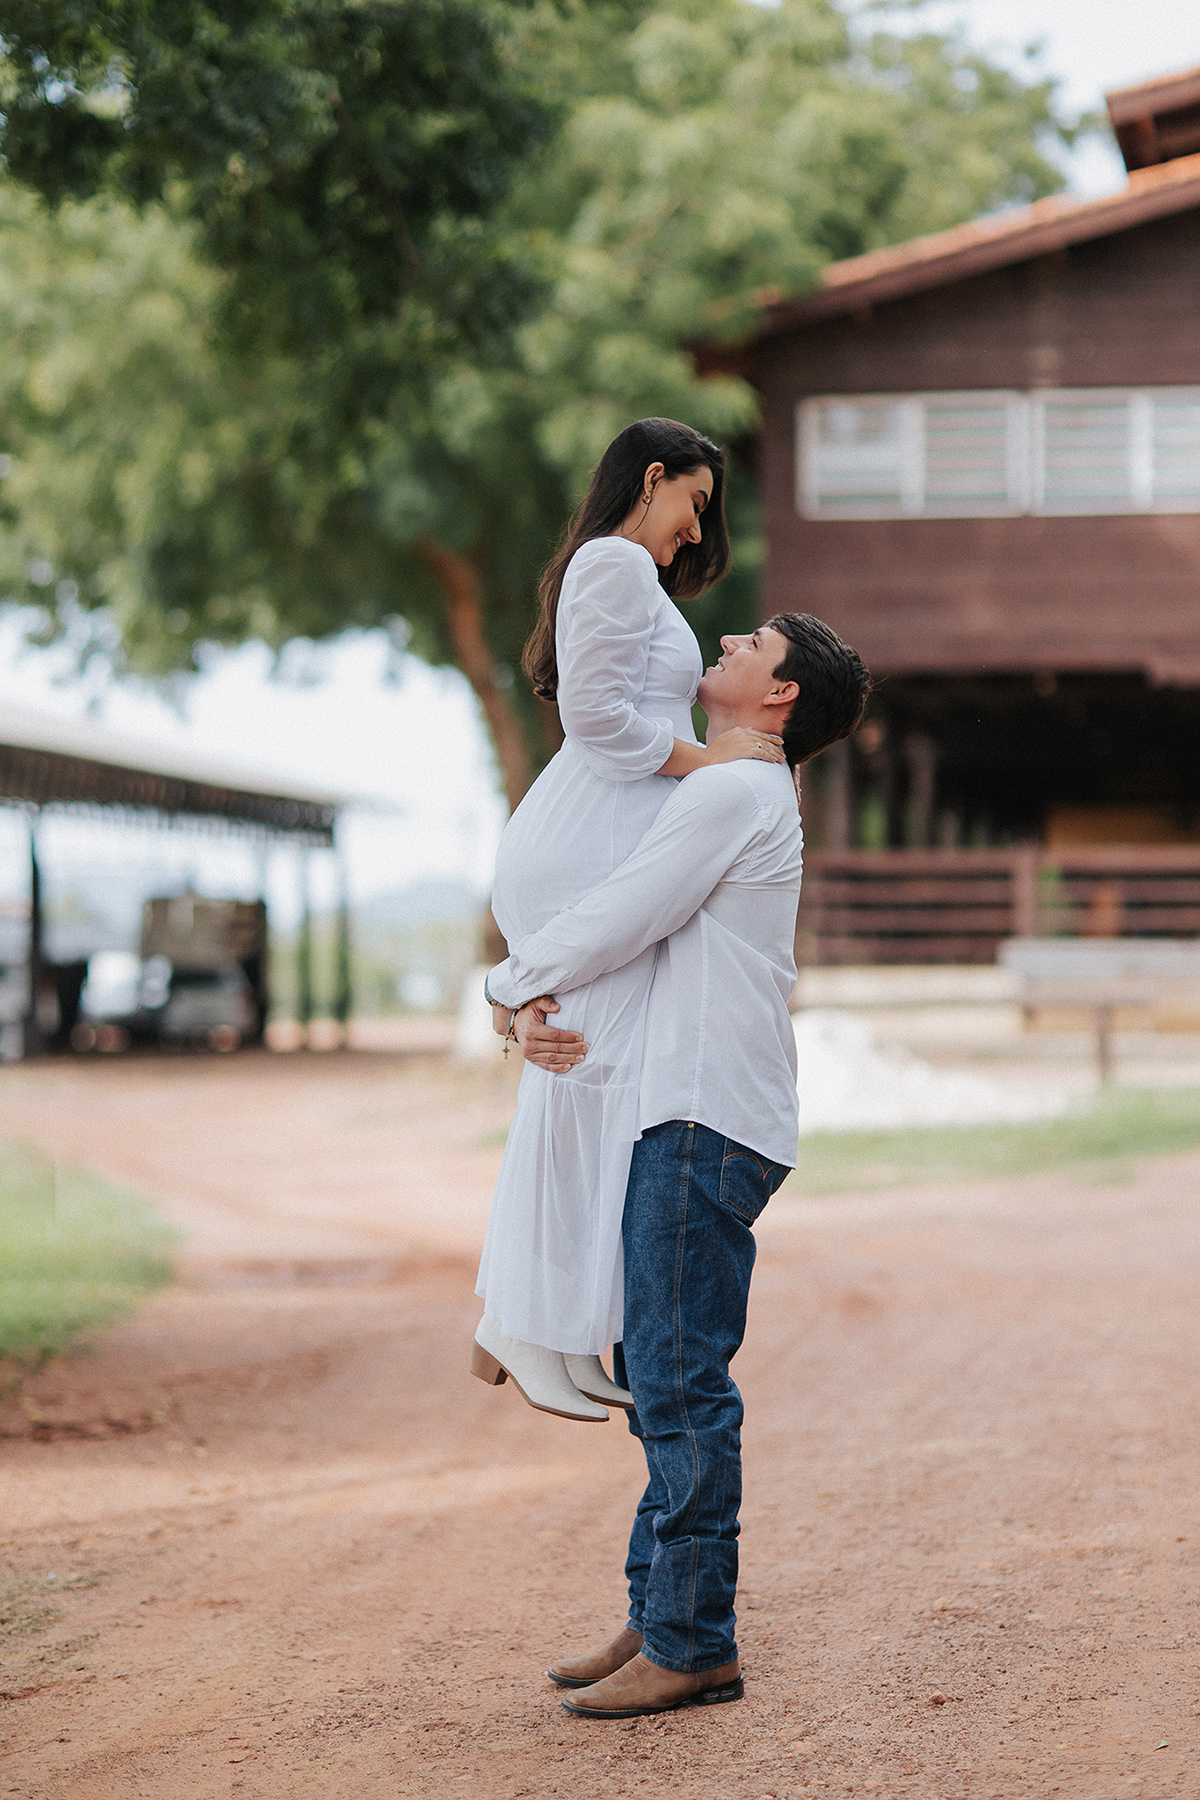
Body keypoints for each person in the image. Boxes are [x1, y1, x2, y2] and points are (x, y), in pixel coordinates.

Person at [484, 612, 871, 1718]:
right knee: (660, 1366)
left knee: (681, 1378)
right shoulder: (746, 791)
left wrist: (511, 981)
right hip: (705, 1109)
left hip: (704, 1115)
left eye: (753, 643)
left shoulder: (733, 793)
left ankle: (694, 1637)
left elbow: (622, 913)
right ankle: (660, 1606)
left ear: (782, 695)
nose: (730, 642)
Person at [474, 418, 785, 1422]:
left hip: (598, 839)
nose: (697, 532)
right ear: (652, 480)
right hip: (581, 842)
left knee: (580, 1081)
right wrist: (714, 759)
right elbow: (598, 719)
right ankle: (528, 1324)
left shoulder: (629, 577)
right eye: (694, 503)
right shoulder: (610, 562)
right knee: (585, 1079)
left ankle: (542, 1326)